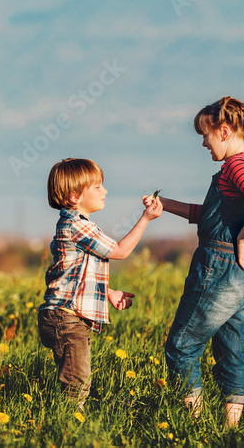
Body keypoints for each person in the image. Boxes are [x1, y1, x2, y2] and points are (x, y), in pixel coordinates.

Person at [145, 96, 244, 426]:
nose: (203, 143)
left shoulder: (236, 166)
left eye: (205, 135)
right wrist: (166, 204)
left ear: (224, 130)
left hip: (220, 268)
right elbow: (210, 216)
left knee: (181, 347)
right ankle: (230, 431)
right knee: (230, 350)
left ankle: (196, 426)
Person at [37, 158, 162, 409]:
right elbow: (120, 251)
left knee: (74, 376)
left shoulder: (71, 224)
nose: (104, 191)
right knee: (77, 382)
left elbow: (74, 275)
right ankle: (68, 426)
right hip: (67, 318)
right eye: (97, 187)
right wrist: (145, 219)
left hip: (63, 314)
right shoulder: (78, 226)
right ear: (75, 196)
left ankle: (66, 420)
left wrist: (108, 292)